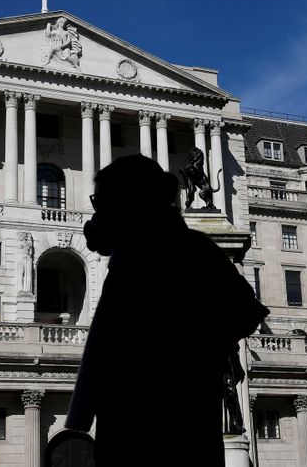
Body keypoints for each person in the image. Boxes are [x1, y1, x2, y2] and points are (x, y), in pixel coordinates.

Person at [65, 155, 269, 466]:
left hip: (149, 425)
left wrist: (79, 418)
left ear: (130, 202)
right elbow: (246, 312)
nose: (98, 211)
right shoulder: (184, 248)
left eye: (103, 200)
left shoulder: (148, 257)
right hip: (177, 422)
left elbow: (101, 346)